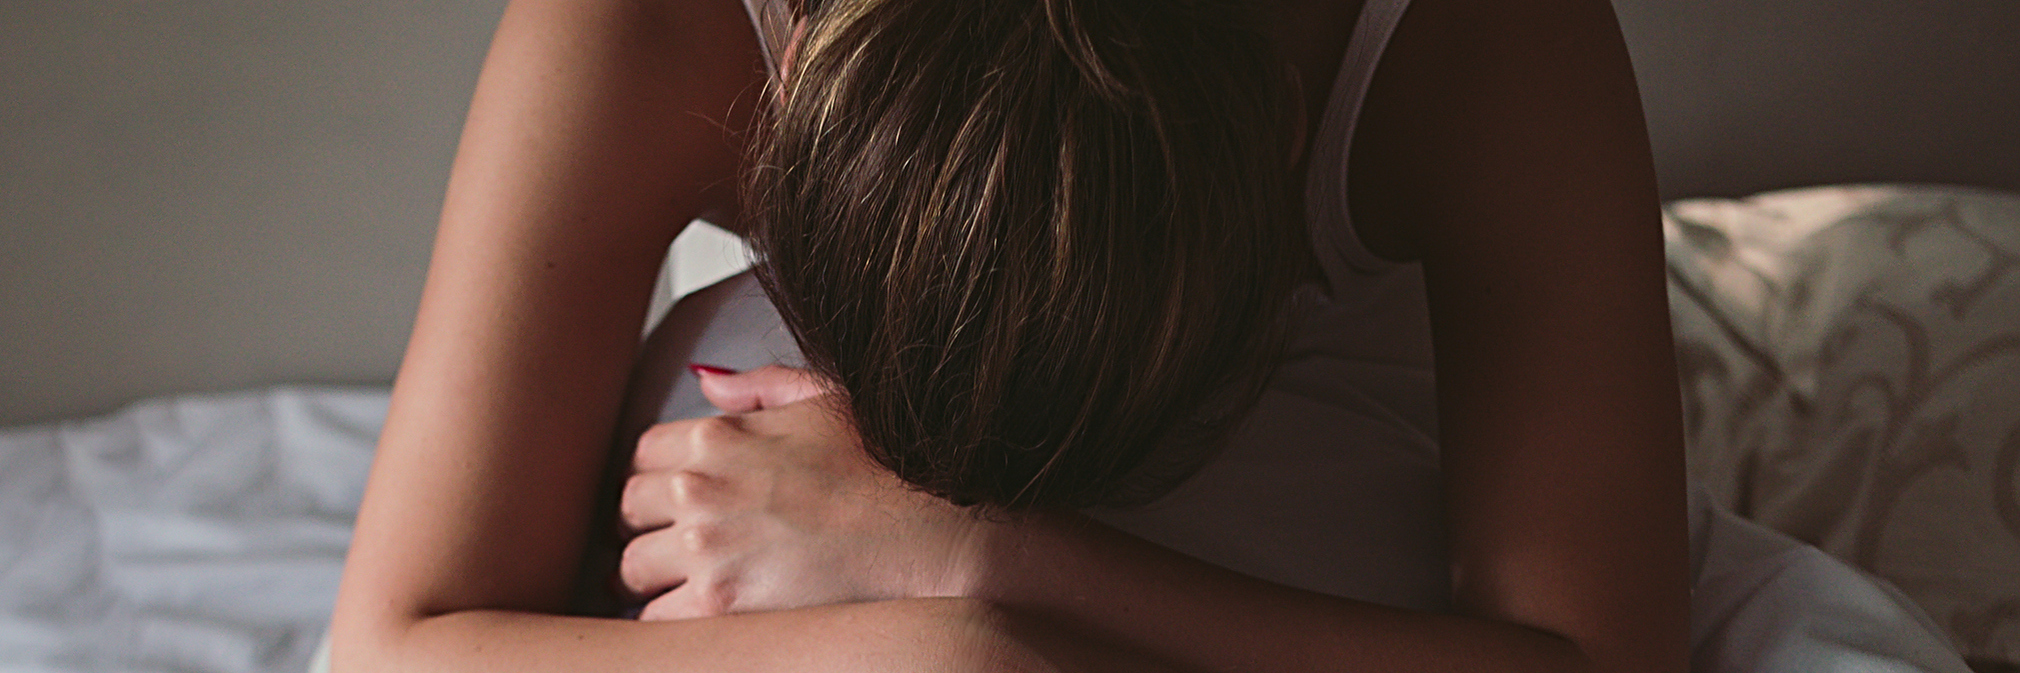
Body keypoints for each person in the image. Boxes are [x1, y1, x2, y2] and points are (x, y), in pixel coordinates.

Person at [327, 0, 1966, 671]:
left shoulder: (1472, 46)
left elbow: (1595, 653)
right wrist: (920, 652)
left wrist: (992, 571)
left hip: (1336, 531)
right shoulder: (652, 29)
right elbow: (395, 640)